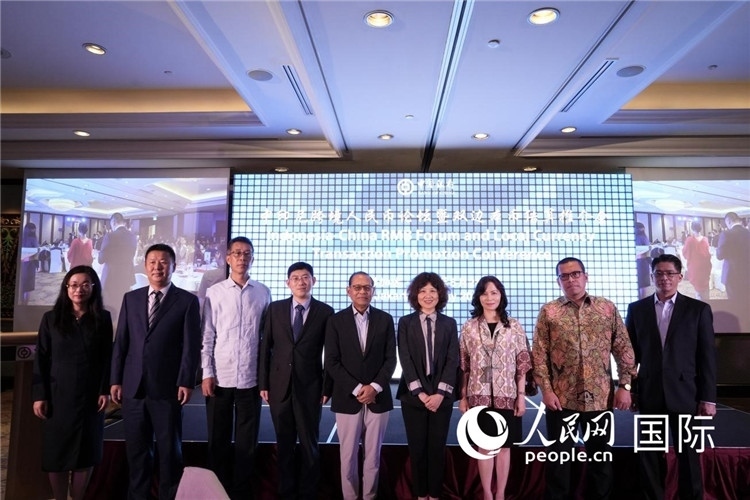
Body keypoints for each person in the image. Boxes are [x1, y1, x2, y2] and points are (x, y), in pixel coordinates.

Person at [532, 257, 636, 500]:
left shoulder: (606, 308)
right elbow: (539, 354)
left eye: (575, 274)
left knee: (600, 461)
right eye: (564, 276)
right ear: (558, 281)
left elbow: (623, 348)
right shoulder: (549, 311)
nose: (571, 280)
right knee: (559, 461)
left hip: (600, 398)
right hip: (561, 399)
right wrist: (546, 390)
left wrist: (625, 385)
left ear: (585, 276)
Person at [110, 243, 201, 500]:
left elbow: (190, 346)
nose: (157, 267)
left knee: (170, 451)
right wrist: (115, 379)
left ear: (173, 266)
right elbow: (122, 342)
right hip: (134, 388)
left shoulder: (187, 301)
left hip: (168, 388)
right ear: (145, 266)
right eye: (152, 262)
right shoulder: (131, 299)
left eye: (163, 262)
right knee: (137, 452)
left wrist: (186, 381)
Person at [626, 253, 716, 499]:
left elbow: (707, 356)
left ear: (680, 276)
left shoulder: (698, 310)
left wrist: (708, 398)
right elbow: (630, 357)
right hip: (650, 394)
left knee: (688, 455)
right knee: (650, 455)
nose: (664, 278)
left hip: (686, 395)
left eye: (670, 273)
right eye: (659, 273)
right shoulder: (637, 309)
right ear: (652, 276)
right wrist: (631, 390)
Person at [32, 265, 112, 500]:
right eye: (74, 285)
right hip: (57, 397)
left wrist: (104, 390)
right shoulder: (51, 319)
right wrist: (39, 395)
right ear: (66, 288)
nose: (79, 289)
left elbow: (107, 358)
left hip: (90, 397)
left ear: (93, 288)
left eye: (85, 284)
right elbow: (41, 359)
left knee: (86, 453)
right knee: (56, 454)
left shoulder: (102, 318)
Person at [201, 237, 271, 499]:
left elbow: (266, 339)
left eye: (247, 253)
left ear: (252, 258)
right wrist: (207, 373)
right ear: (228, 258)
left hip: (250, 379)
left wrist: (265, 378)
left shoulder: (263, 292)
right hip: (220, 377)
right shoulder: (215, 292)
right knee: (217, 440)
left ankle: (241, 492)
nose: (242, 258)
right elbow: (207, 335)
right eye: (237, 253)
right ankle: (217, 492)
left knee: (247, 442)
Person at [259, 262, 334, 500]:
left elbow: (331, 354)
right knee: (284, 443)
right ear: (287, 283)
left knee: (309, 444)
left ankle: (308, 492)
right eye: (295, 278)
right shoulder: (275, 309)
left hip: (311, 387)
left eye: (305, 277)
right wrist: (263, 383)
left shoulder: (325, 311)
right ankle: (286, 491)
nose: (301, 282)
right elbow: (266, 347)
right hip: (279, 385)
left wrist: (327, 386)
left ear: (313, 281)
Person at [325, 272, 396, 500]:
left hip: (378, 398)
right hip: (347, 398)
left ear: (373, 291)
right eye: (357, 287)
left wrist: (374, 387)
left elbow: (390, 360)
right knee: (347, 457)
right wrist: (357, 389)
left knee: (373, 457)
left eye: (367, 287)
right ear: (349, 291)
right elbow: (331, 362)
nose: (362, 291)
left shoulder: (385, 320)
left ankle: (369, 496)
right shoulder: (335, 321)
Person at [459, 276, 530, 500]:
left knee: (504, 447)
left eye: (494, 292)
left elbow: (522, 363)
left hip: (507, 394)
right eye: (484, 293)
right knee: (484, 447)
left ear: (501, 296)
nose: (489, 298)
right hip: (478, 396)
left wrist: (521, 396)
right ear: (478, 297)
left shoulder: (514, 326)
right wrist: (463, 396)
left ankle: (500, 494)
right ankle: (487, 494)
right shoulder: (469, 327)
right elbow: (464, 365)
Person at [396, 272, 458, 500]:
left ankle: (435, 494)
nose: (428, 295)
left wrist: (440, 393)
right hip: (413, 398)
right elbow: (405, 359)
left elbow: (452, 359)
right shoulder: (405, 322)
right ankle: (421, 495)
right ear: (415, 295)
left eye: (433, 290)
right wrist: (421, 393)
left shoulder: (449, 323)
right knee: (417, 449)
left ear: (440, 294)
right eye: (422, 291)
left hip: (442, 398)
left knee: (436, 449)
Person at [98, 212, 138, 321]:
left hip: (111, 277)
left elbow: (101, 260)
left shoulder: (110, 236)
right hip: (126, 276)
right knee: (122, 304)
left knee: (109, 307)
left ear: (113, 222)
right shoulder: (133, 237)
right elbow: (132, 255)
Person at [716, 211, 750, 301]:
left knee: (734, 302)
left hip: (732, 275)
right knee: (746, 299)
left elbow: (719, 256)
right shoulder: (748, 233)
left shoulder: (726, 234)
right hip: (747, 273)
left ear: (728, 221)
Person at [682, 221, 712, 301]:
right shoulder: (705, 239)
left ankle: (700, 303)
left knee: (698, 288)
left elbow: (685, 253)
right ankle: (707, 302)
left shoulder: (689, 240)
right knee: (705, 286)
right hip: (705, 266)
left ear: (692, 228)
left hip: (695, 267)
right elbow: (707, 253)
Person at [20, 221, 39, 305]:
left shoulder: (22, 238)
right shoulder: (33, 239)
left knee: (22, 284)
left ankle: (21, 302)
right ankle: (25, 303)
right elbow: (35, 254)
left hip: (22, 263)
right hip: (29, 264)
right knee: (28, 285)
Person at [635, 222, 652, 299]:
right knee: (643, 285)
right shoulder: (643, 237)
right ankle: (642, 300)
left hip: (639, 261)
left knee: (640, 284)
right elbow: (647, 251)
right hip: (642, 262)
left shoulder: (637, 237)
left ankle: (640, 300)